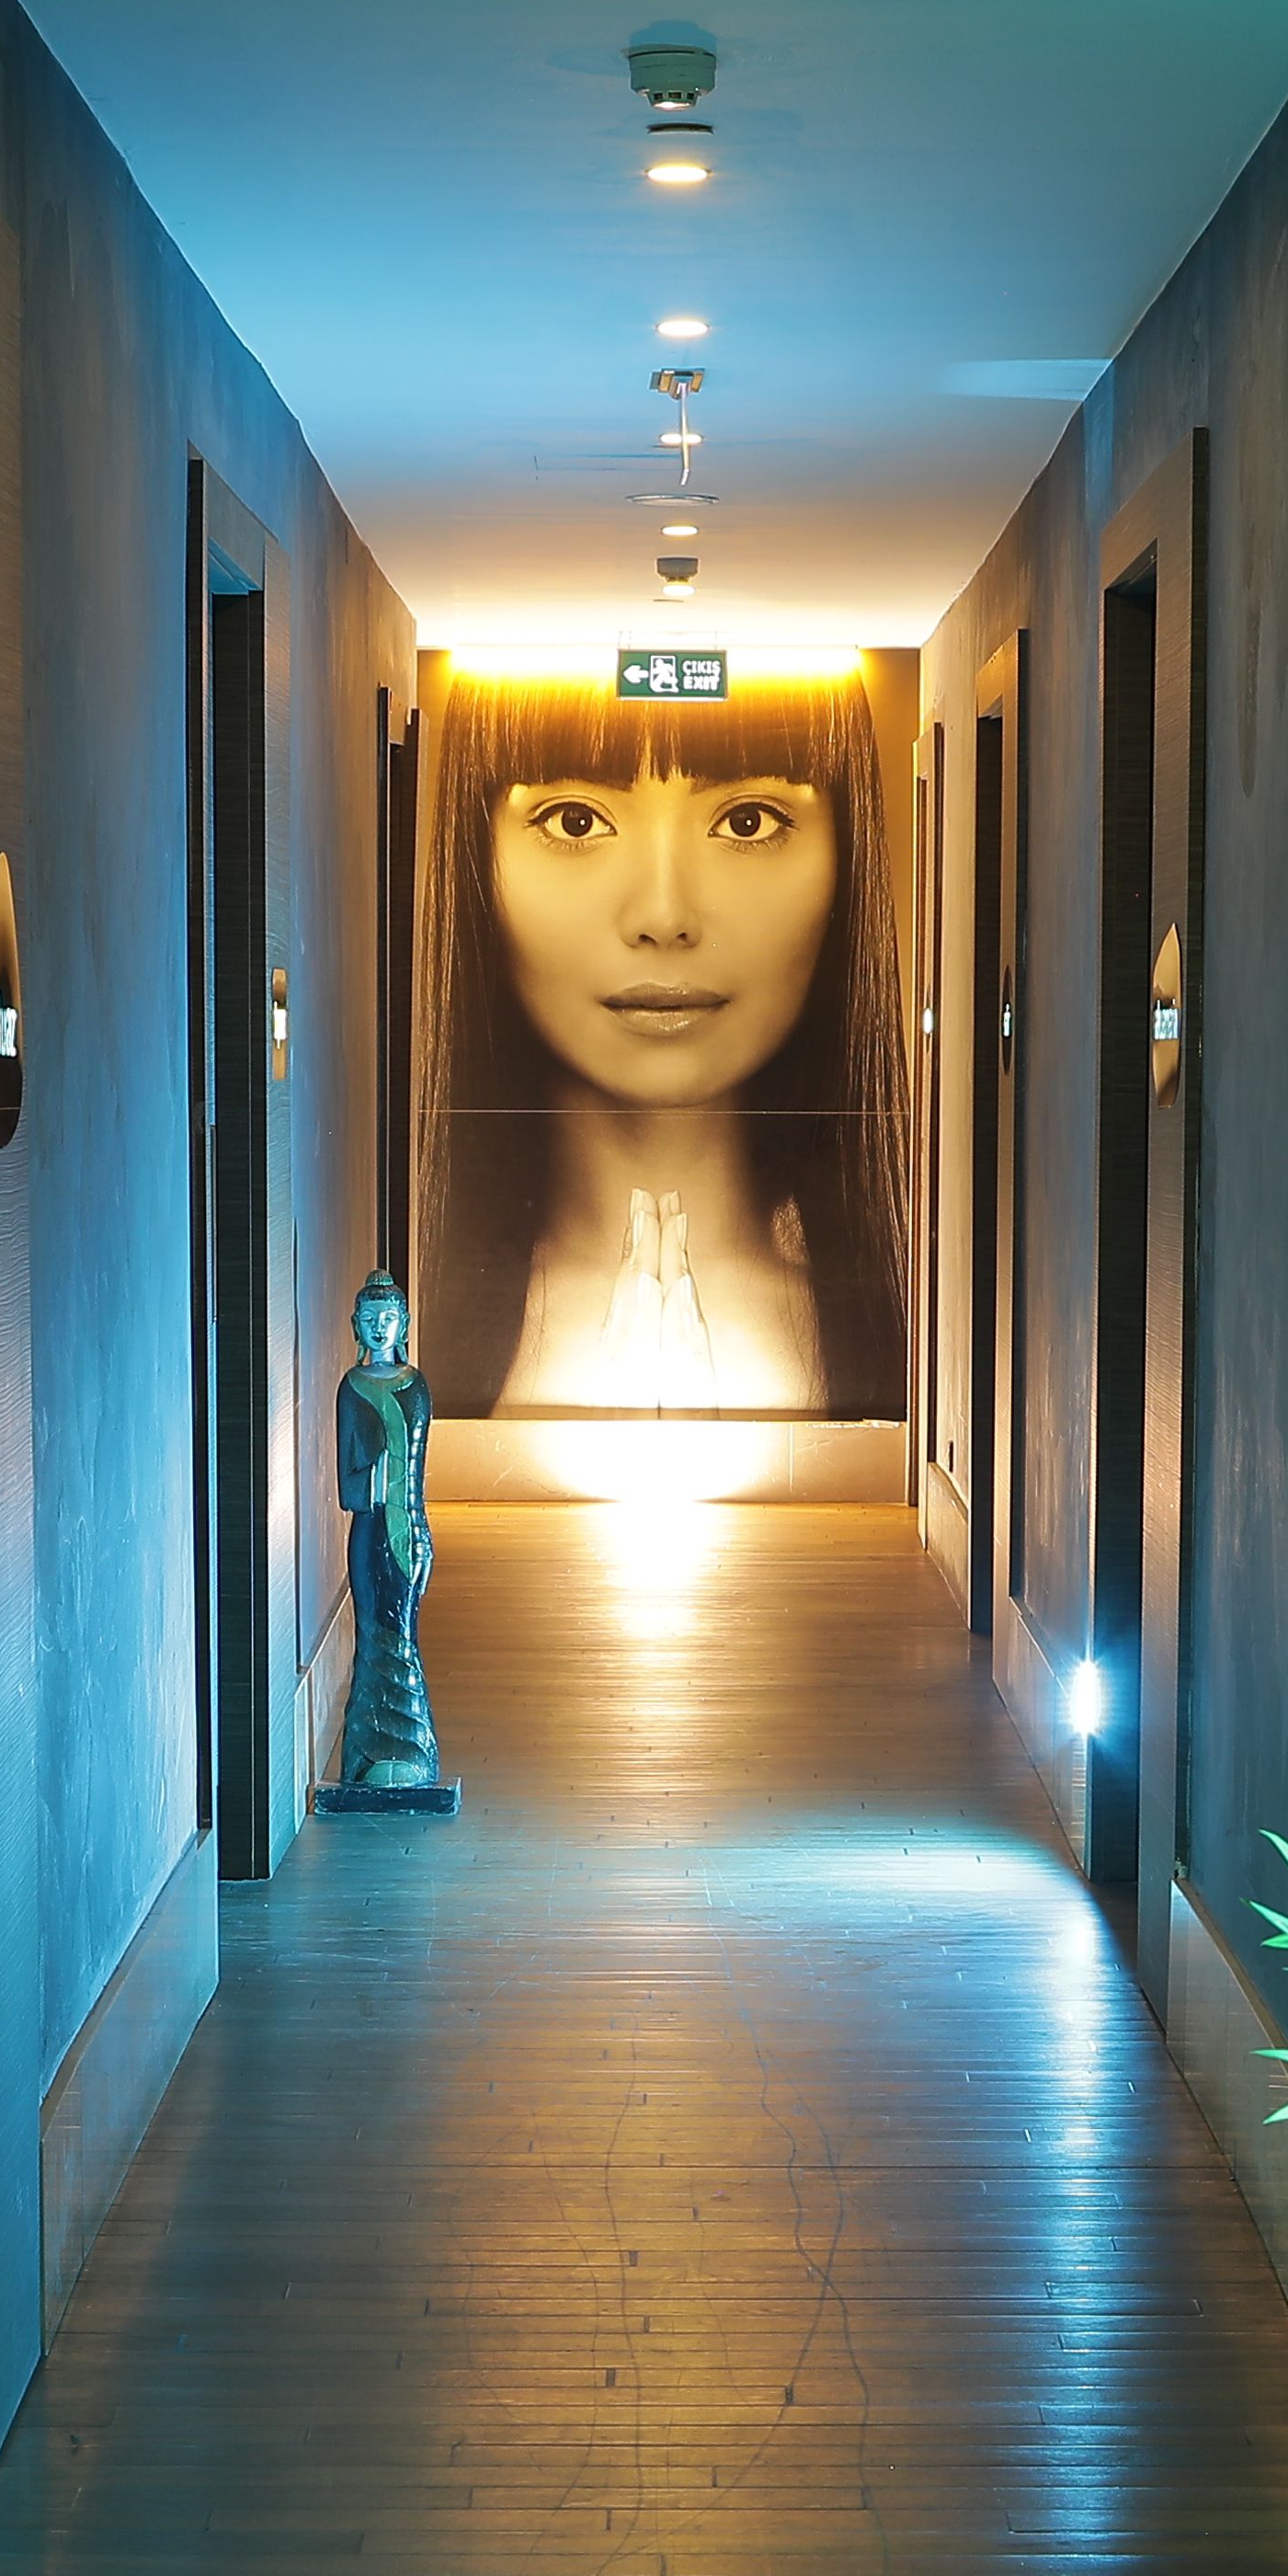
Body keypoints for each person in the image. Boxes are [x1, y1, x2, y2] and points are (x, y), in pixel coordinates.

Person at [405, 675, 913, 1417]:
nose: (664, 914)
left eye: (747, 822)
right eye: (576, 821)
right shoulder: (411, 1327)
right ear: (475, 852)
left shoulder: (916, 1339)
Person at [313, 1269, 457, 1814]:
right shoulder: (351, 1388)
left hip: (406, 1530)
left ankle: (411, 1753)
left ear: (405, 1324)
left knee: (403, 1638)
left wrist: (412, 1522)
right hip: (370, 1530)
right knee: (374, 1640)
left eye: (389, 1318)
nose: (379, 1327)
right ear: (356, 1325)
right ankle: (368, 1758)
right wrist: (375, 1472)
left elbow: (412, 1471)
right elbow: (349, 1487)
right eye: (370, 1319)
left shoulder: (414, 1387)